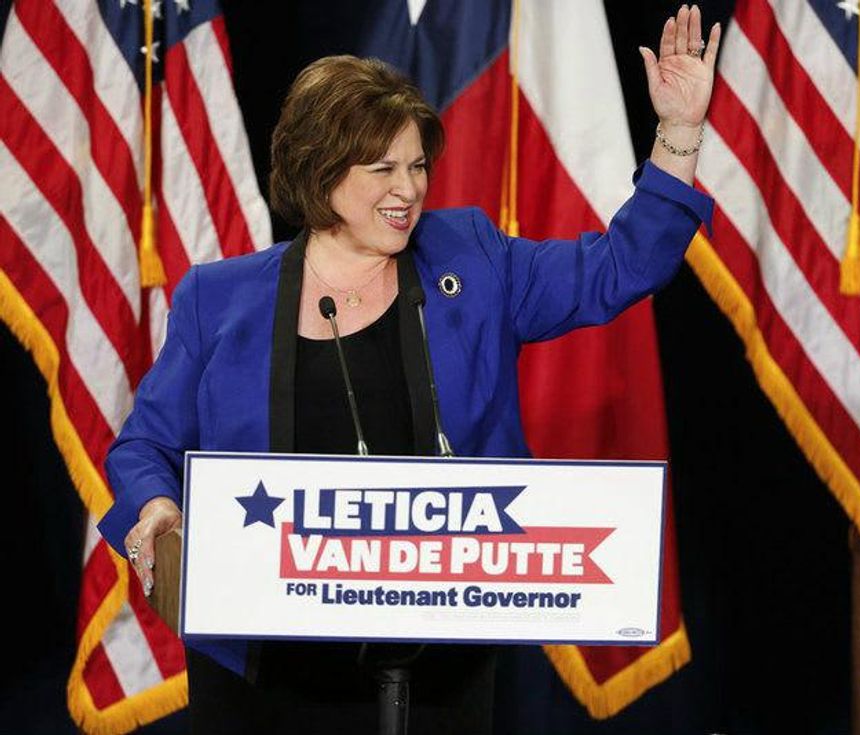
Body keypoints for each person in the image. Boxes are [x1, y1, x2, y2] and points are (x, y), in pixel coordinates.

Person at [98, 5, 720, 733]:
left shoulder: (473, 258)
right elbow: (143, 446)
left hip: (437, 670)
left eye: (419, 164)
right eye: (383, 168)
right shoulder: (221, 298)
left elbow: (622, 267)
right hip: (263, 674)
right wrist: (158, 510)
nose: (410, 189)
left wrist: (678, 133)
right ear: (320, 169)